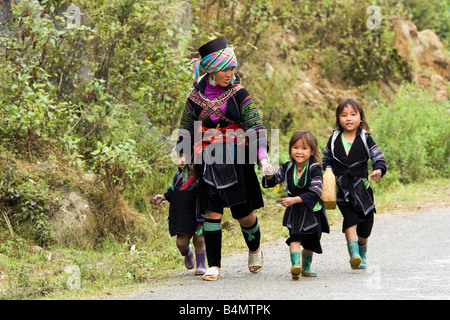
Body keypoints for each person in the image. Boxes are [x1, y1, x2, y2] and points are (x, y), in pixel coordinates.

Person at [176, 37, 273, 280]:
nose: (230, 73)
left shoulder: (239, 93)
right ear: (211, 69)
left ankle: (254, 247)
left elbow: (254, 125)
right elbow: (186, 128)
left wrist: (263, 159)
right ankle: (215, 265)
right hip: (207, 160)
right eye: (224, 69)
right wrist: (184, 156)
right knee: (212, 213)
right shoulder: (195, 98)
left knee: (244, 214)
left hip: (237, 159)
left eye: (232, 68)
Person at [323, 98, 386, 269]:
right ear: (338, 118)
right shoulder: (334, 138)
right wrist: (328, 169)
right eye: (344, 115)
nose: (348, 118)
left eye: (353, 114)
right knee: (350, 218)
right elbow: (326, 157)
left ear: (361, 118)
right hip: (342, 187)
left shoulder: (366, 139)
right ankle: (354, 254)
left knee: (366, 224)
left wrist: (378, 169)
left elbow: (378, 156)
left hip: (362, 187)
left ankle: (362, 251)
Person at [263, 130, 329, 280]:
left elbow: (315, 191)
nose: (299, 152)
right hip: (295, 212)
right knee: (295, 237)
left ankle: (306, 267)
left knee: (311, 240)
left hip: (312, 211)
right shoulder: (287, 167)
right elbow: (274, 179)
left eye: (304, 148)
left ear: (312, 151)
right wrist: (268, 174)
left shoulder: (315, 168)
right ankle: (295, 266)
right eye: (295, 147)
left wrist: (294, 199)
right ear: (290, 149)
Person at [153, 153, 206, 275]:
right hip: (183, 216)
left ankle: (201, 265)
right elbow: (173, 191)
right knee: (181, 243)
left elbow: (205, 188)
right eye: (180, 157)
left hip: (199, 215)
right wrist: (163, 197)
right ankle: (187, 252)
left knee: (199, 239)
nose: (183, 160)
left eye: (187, 157)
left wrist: (196, 179)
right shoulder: (178, 175)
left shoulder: (200, 174)